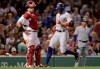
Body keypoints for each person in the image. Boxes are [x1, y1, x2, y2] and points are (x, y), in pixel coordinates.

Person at [16, 0, 42, 67]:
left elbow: (36, 25)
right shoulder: (26, 15)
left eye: (33, 7)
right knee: (31, 48)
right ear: (27, 8)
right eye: (31, 7)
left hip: (34, 33)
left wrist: (39, 30)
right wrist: (23, 30)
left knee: (38, 48)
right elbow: (18, 23)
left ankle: (37, 64)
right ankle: (28, 64)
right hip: (29, 33)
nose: (32, 9)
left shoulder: (33, 15)